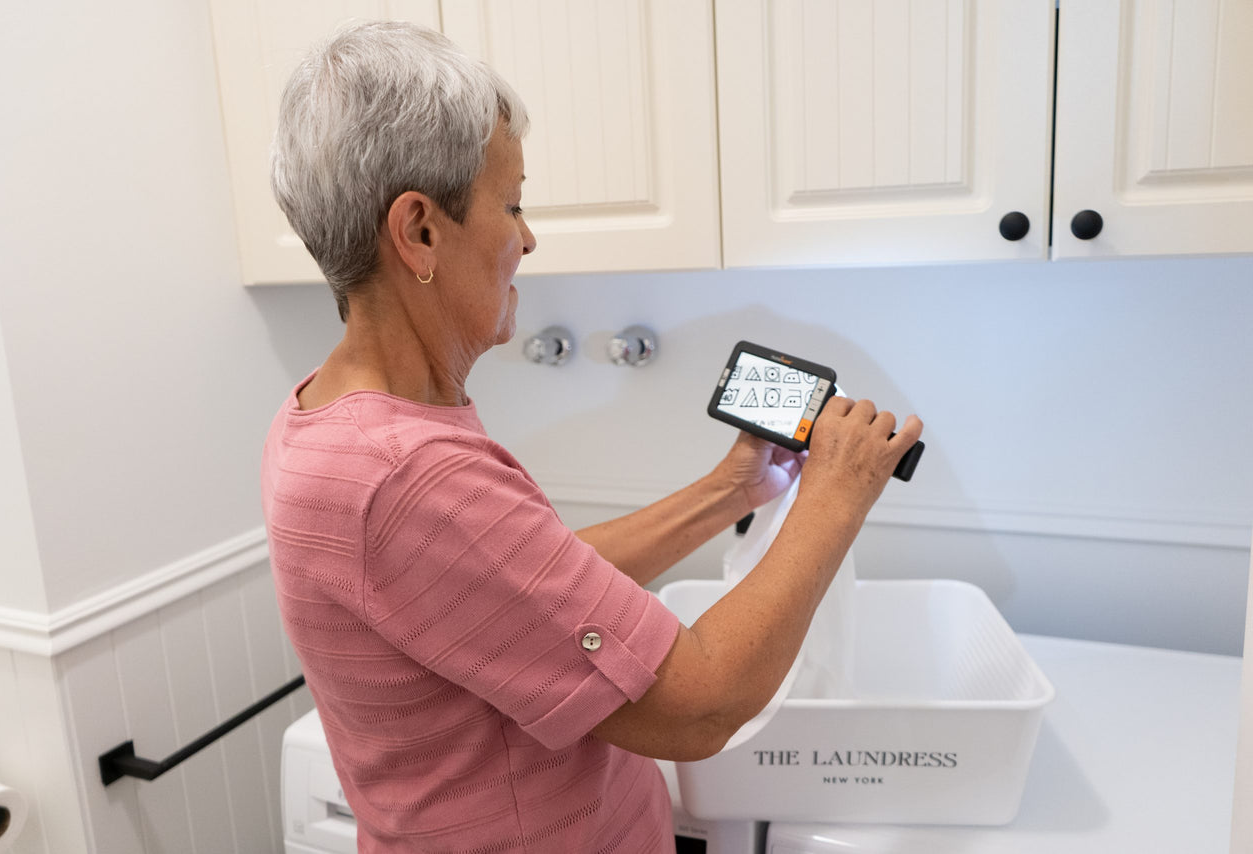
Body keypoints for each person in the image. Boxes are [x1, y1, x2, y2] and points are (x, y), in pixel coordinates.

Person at [260, 20, 922, 854]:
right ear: (420, 230)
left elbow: (522, 590)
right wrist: (837, 493)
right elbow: (701, 704)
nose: (527, 238)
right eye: (513, 204)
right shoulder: (405, 475)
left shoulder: (321, 419)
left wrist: (734, 490)